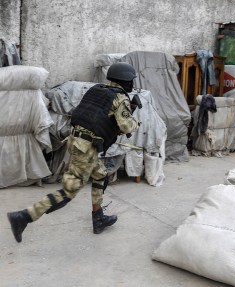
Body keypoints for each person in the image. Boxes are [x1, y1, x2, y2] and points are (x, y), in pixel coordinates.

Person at [7, 62, 140, 243]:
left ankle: (98, 217)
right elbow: (126, 126)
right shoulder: (120, 99)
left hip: (77, 142)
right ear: (125, 81)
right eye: (131, 81)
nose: (132, 84)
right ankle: (24, 216)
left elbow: (98, 115)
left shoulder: (97, 90)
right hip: (86, 149)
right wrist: (134, 118)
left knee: (101, 175)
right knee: (68, 192)